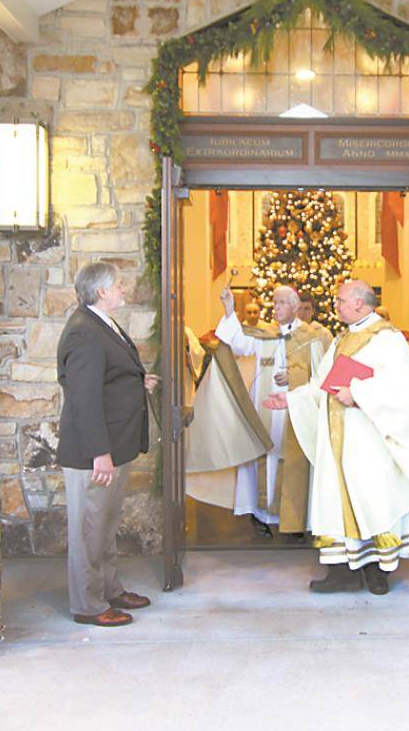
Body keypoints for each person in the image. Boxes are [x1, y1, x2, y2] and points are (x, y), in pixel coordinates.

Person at [263, 280, 409, 595]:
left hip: (371, 442)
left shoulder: (388, 340)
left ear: (359, 303)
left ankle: (377, 571)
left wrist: (358, 393)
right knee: (334, 500)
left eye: (340, 301)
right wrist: (292, 398)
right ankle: (341, 572)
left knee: (375, 501)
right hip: (336, 440)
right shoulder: (342, 338)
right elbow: (321, 382)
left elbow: (402, 389)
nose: (335, 305)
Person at [55, 262, 160, 626]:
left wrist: (136, 382)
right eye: (118, 285)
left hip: (115, 447)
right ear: (101, 291)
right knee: (89, 529)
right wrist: (99, 453)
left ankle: (110, 589)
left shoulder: (103, 324)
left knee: (105, 523)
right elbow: (83, 398)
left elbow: (107, 377)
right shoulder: (85, 332)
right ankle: (88, 604)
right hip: (95, 454)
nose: (123, 290)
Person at [185, 285, 329, 538]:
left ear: (295, 307)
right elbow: (238, 344)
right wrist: (229, 309)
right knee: (262, 457)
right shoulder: (265, 335)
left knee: (292, 461)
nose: (276, 307)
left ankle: (293, 520)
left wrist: (295, 377)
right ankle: (260, 514)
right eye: (274, 303)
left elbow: (321, 376)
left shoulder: (311, 337)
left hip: (293, 410)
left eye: (282, 303)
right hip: (264, 410)